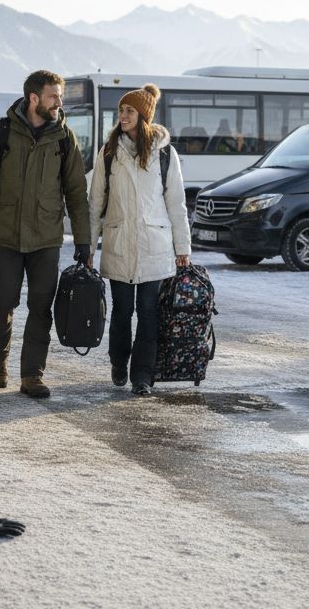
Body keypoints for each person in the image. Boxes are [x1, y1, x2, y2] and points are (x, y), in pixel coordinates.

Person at [0, 70, 91, 398]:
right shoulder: (0, 132)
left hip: (46, 238)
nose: (59, 103)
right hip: (5, 236)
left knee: (41, 307)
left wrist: (83, 240)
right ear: (34, 99)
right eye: (53, 96)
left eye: (60, 96)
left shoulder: (65, 138)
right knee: (2, 304)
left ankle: (32, 374)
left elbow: (77, 193)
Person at [86, 84, 191, 396]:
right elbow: (95, 203)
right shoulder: (108, 153)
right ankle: (119, 362)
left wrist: (182, 247)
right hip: (119, 243)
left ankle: (142, 376)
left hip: (153, 246)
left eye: (129, 110)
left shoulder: (165, 154)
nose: (123, 115)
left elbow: (176, 203)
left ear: (143, 115)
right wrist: (88, 247)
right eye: (121, 110)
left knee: (148, 314)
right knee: (121, 311)